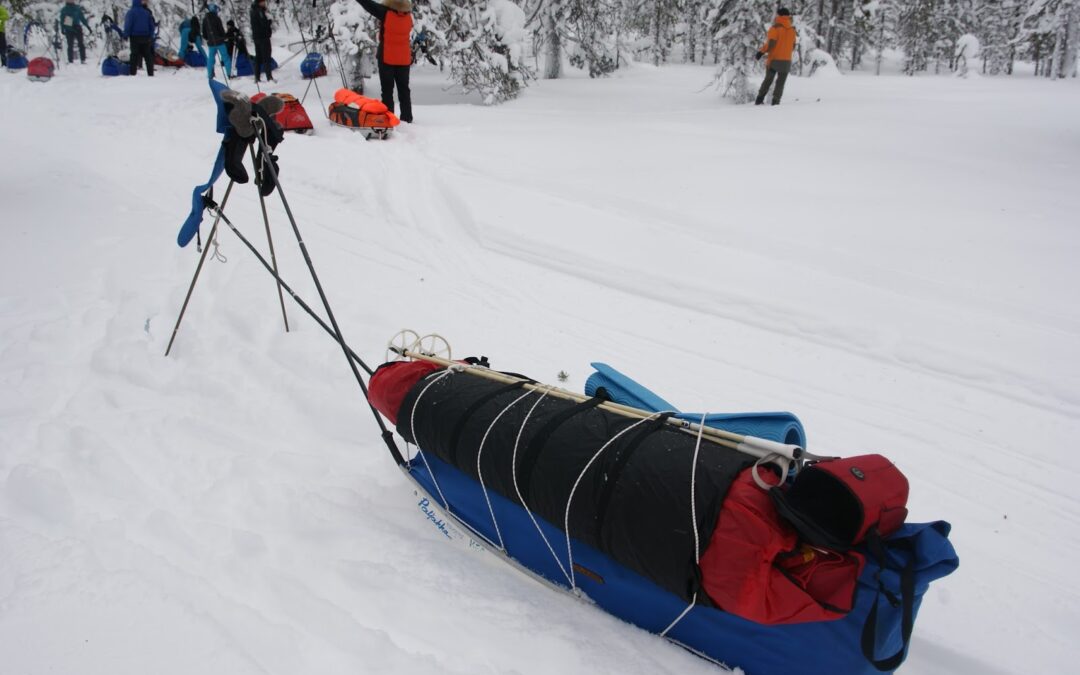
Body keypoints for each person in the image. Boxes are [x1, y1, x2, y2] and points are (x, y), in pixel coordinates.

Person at [355, 0, 414, 123]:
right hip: (403, 60)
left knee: (387, 91)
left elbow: (369, 5)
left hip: (387, 58)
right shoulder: (408, 16)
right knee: (404, 90)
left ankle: (388, 118)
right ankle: (407, 118)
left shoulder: (386, 13)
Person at [755, 8, 797, 106]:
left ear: (779, 16)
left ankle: (759, 100)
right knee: (780, 84)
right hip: (787, 61)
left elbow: (771, 44)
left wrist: (761, 52)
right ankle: (775, 103)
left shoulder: (775, 28)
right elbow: (793, 46)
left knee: (768, 80)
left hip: (774, 60)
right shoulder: (792, 30)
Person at [123, 0, 155, 75]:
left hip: (134, 37)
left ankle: (133, 73)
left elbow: (128, 25)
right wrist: (151, 36)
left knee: (134, 55)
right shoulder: (147, 13)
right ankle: (150, 73)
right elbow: (152, 26)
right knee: (148, 56)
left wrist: (126, 35)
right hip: (146, 37)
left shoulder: (131, 12)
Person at [202, 3, 230, 79]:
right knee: (225, 57)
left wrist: (208, 38)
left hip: (211, 43)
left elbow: (204, 33)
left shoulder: (205, 19)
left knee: (211, 59)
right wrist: (224, 37)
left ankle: (210, 74)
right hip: (220, 42)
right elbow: (221, 30)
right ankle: (229, 74)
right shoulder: (217, 18)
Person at [249, 0, 273, 83]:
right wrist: (269, 21)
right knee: (266, 56)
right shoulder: (260, 11)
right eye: (263, 2)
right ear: (260, 2)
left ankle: (257, 77)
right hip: (263, 37)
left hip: (256, 37)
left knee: (258, 57)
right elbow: (263, 24)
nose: (264, 3)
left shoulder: (253, 10)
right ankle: (269, 77)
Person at [0, 3, 9, 68]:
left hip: (0, 31)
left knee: (2, 47)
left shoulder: (1, 8)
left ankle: (4, 63)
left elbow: (6, 16)